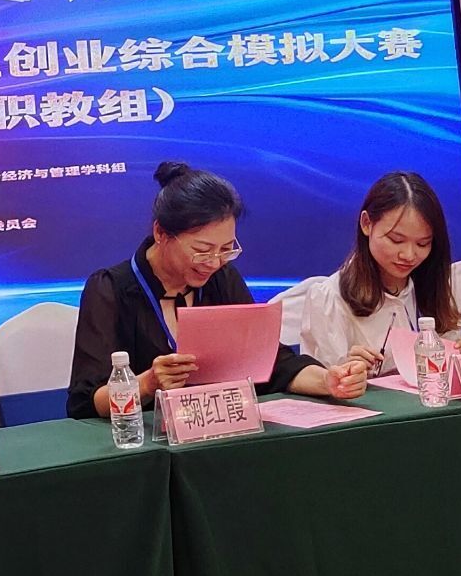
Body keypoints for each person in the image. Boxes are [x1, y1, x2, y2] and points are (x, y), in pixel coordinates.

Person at [68, 161, 369, 419]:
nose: (213, 262)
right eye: (202, 250)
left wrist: (328, 380)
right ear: (160, 233)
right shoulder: (110, 289)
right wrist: (147, 384)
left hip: (219, 432)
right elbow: (87, 402)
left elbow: (271, 362)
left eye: (226, 249)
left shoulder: (222, 279)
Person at [302, 171, 461, 369]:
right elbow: (322, 380)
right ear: (366, 224)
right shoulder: (329, 298)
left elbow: (447, 367)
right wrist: (349, 371)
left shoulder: (434, 288)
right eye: (396, 240)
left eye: (423, 244)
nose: (409, 255)